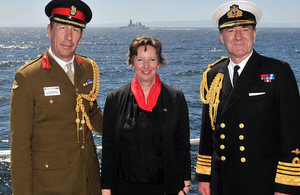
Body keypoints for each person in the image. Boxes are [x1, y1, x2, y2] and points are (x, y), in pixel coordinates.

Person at [196, 1, 300, 195]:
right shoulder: (213, 75)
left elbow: (292, 131)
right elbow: (207, 129)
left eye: (245, 29)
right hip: (223, 181)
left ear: (254, 34)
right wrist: (204, 176)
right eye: (230, 31)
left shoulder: (277, 71)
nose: (238, 36)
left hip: (263, 182)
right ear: (221, 37)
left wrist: (287, 185)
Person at [10, 0, 103, 194]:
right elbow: (20, 147)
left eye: (75, 30)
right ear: (49, 31)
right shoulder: (28, 76)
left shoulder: (88, 68)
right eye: (62, 27)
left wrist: (131, 129)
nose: (68, 37)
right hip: (51, 185)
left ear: (82, 36)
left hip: (89, 180)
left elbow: (92, 114)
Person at [101, 36, 191, 195]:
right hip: (124, 188)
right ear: (132, 62)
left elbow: (182, 143)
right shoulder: (114, 99)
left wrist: (185, 183)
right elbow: (109, 148)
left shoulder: (176, 98)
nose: (146, 65)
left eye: (152, 59)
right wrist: (106, 188)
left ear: (159, 62)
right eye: (140, 59)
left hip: (165, 188)